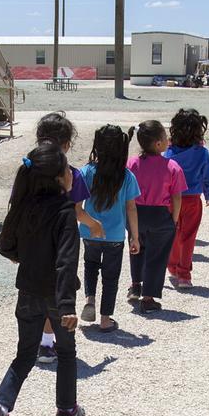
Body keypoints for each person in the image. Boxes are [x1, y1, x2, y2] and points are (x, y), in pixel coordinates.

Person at [0, 142, 84, 416]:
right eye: (68, 169)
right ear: (58, 178)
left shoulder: (23, 206)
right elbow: (66, 262)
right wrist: (67, 306)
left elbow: (5, 246)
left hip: (27, 292)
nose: (71, 174)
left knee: (25, 354)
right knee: (66, 352)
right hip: (56, 297)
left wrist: (24, 257)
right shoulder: (65, 212)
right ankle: (66, 411)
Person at [32, 112, 100, 364]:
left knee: (37, 289)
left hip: (34, 240)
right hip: (63, 243)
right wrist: (94, 225)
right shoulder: (72, 175)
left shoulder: (28, 171)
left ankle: (38, 340)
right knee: (59, 289)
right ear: (67, 145)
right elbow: (77, 211)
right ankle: (47, 343)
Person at [79, 125, 140, 333]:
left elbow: (77, 202)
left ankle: (90, 299)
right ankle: (105, 320)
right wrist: (135, 237)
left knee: (90, 266)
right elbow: (131, 208)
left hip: (90, 231)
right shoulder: (126, 176)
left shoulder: (87, 172)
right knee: (111, 277)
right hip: (115, 236)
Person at [127, 120, 185, 309]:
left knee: (136, 248)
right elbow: (177, 197)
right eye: (165, 137)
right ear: (158, 143)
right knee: (157, 256)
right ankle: (148, 298)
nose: (168, 140)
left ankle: (136, 285)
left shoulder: (132, 163)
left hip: (136, 213)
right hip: (160, 215)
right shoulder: (172, 166)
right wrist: (173, 220)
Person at [165, 108, 209, 290]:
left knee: (172, 233)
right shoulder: (202, 153)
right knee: (188, 237)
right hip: (192, 200)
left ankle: (172, 266)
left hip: (171, 200)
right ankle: (184, 275)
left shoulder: (168, 152)